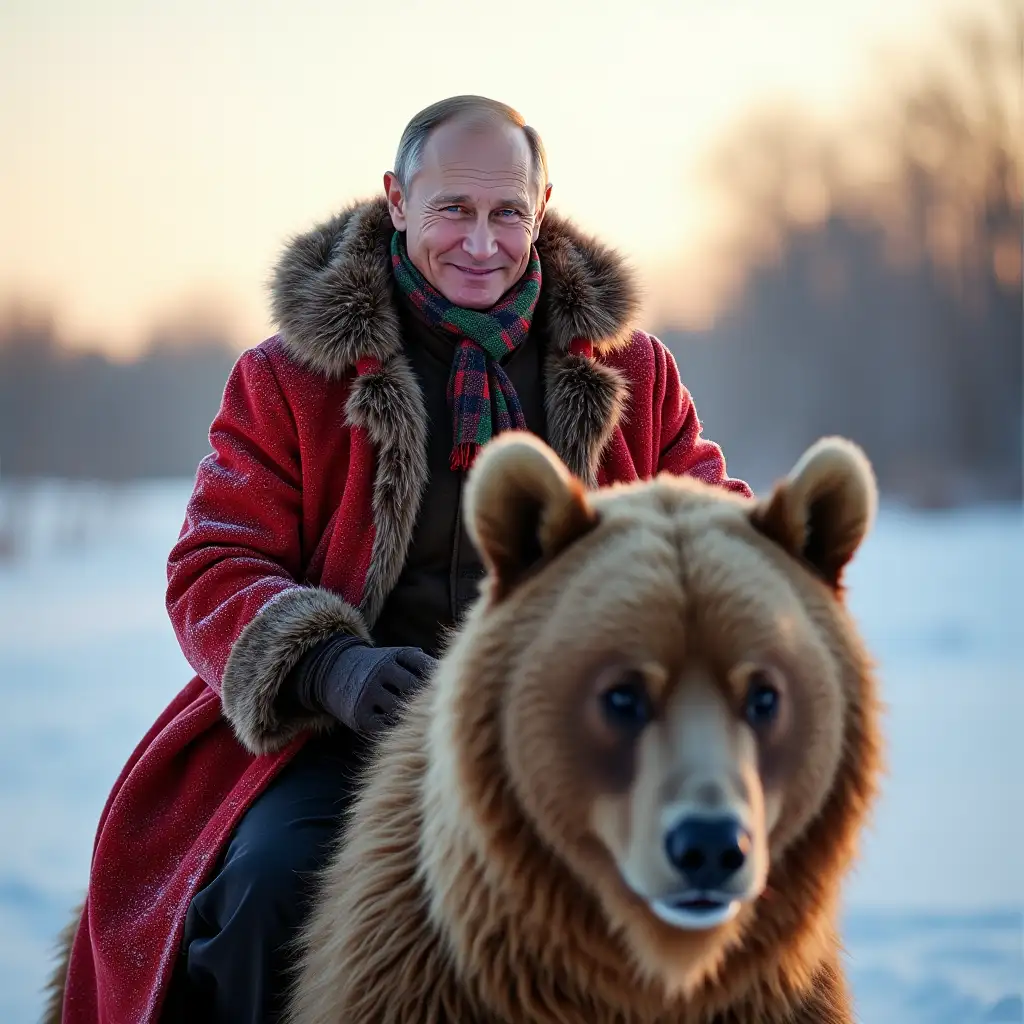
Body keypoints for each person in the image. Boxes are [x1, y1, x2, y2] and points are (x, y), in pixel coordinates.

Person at [59, 95, 751, 1024]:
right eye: (452, 211)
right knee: (267, 887)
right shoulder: (286, 376)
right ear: (396, 200)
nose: (482, 241)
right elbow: (214, 562)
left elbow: (715, 529)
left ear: (542, 207)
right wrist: (333, 669)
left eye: (508, 212)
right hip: (344, 733)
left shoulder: (632, 372)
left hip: (589, 738)